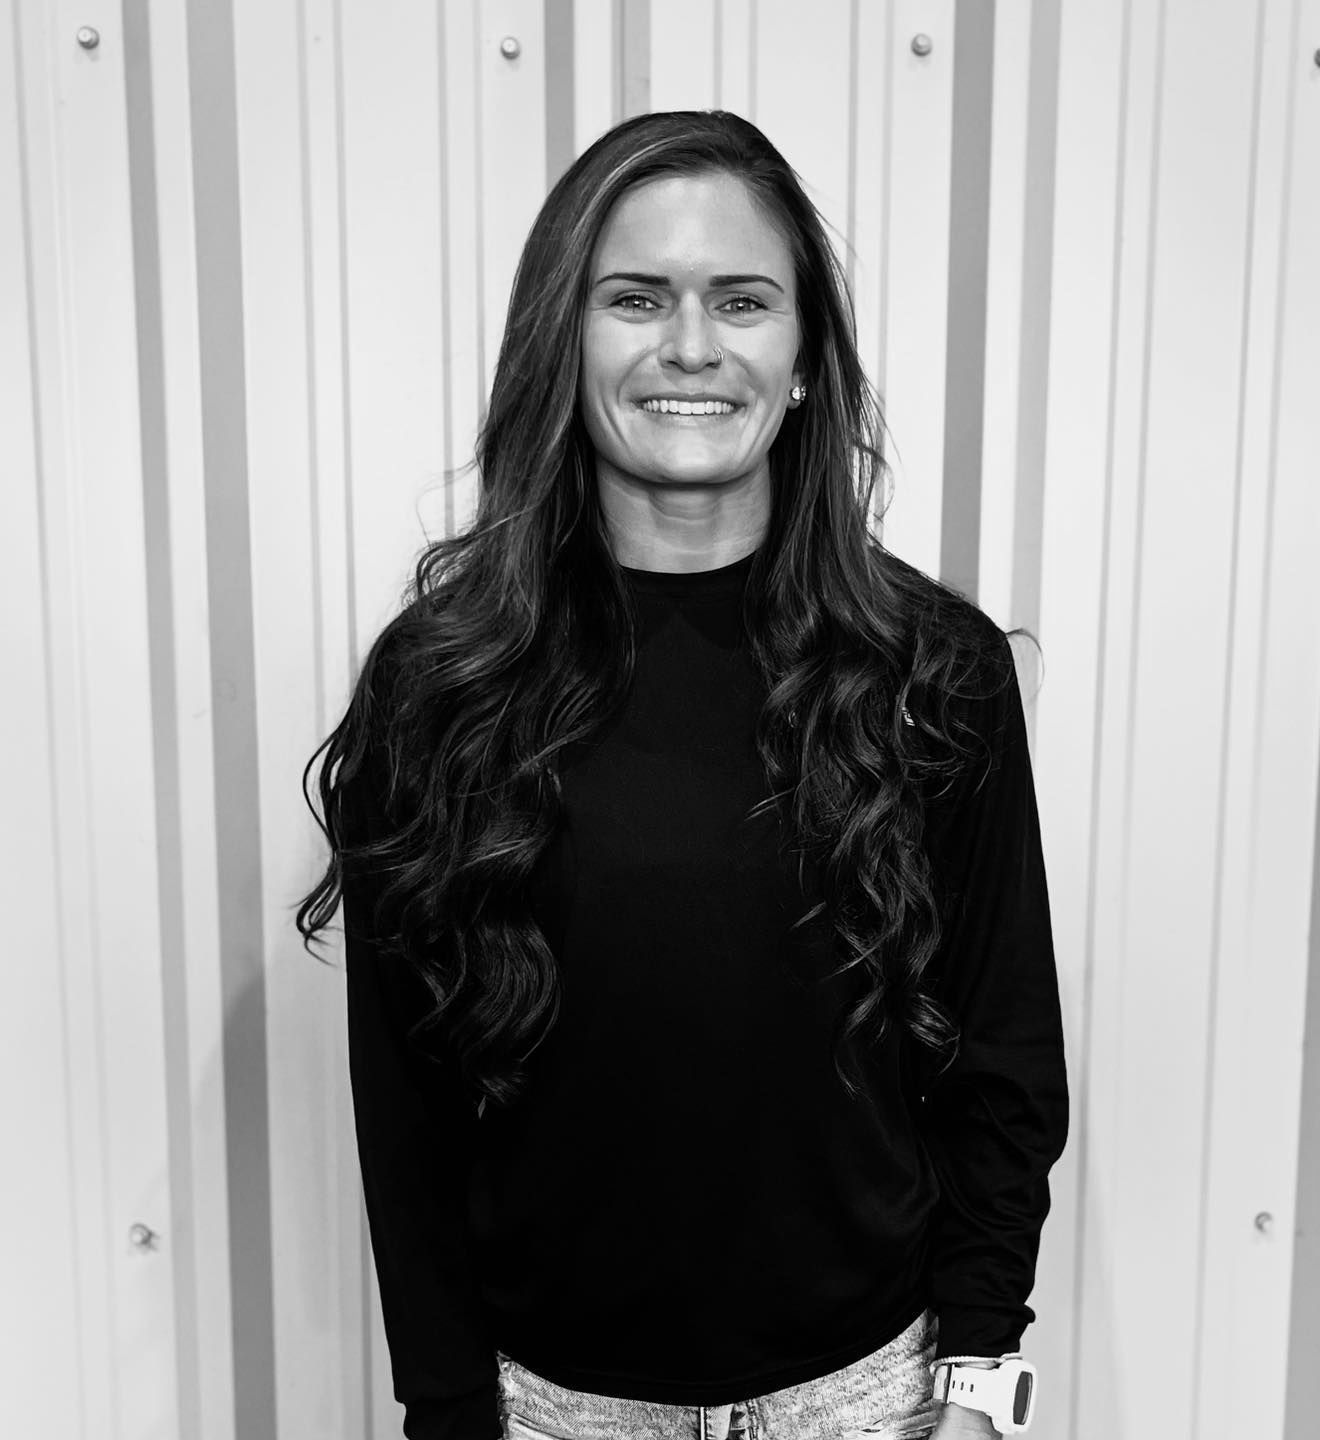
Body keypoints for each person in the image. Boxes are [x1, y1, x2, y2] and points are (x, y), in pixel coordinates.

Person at [297, 109, 1069, 1440]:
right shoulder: (442, 686)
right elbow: (407, 1107)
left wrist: (978, 1389)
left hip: (873, 1402)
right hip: (547, 1411)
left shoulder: (935, 671)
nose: (694, 347)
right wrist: (444, 1411)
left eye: (744, 300)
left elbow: (1004, 1065)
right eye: (637, 298)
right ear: (565, 340)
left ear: (809, 358)